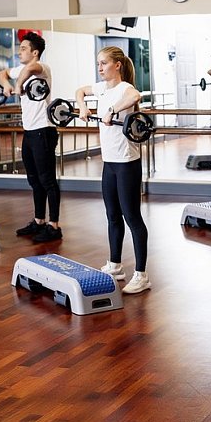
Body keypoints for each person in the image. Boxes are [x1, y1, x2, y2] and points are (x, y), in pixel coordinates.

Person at [75, 46, 151, 294]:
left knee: (132, 217)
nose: (100, 67)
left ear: (117, 65)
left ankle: (141, 275)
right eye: (98, 63)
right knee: (112, 216)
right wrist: (83, 106)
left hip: (127, 162)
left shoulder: (124, 88)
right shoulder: (101, 88)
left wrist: (111, 110)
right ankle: (115, 265)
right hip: (109, 162)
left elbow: (135, 96)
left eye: (104, 63)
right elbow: (80, 91)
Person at [0, 32, 61, 243]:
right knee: (34, 180)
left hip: (44, 130)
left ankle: (54, 226)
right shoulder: (21, 69)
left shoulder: (43, 68)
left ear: (35, 52)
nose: (19, 52)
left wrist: (18, 85)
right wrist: (7, 84)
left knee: (47, 180)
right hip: (29, 131)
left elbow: (30, 70)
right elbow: (1, 72)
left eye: (24, 48)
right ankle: (39, 220)